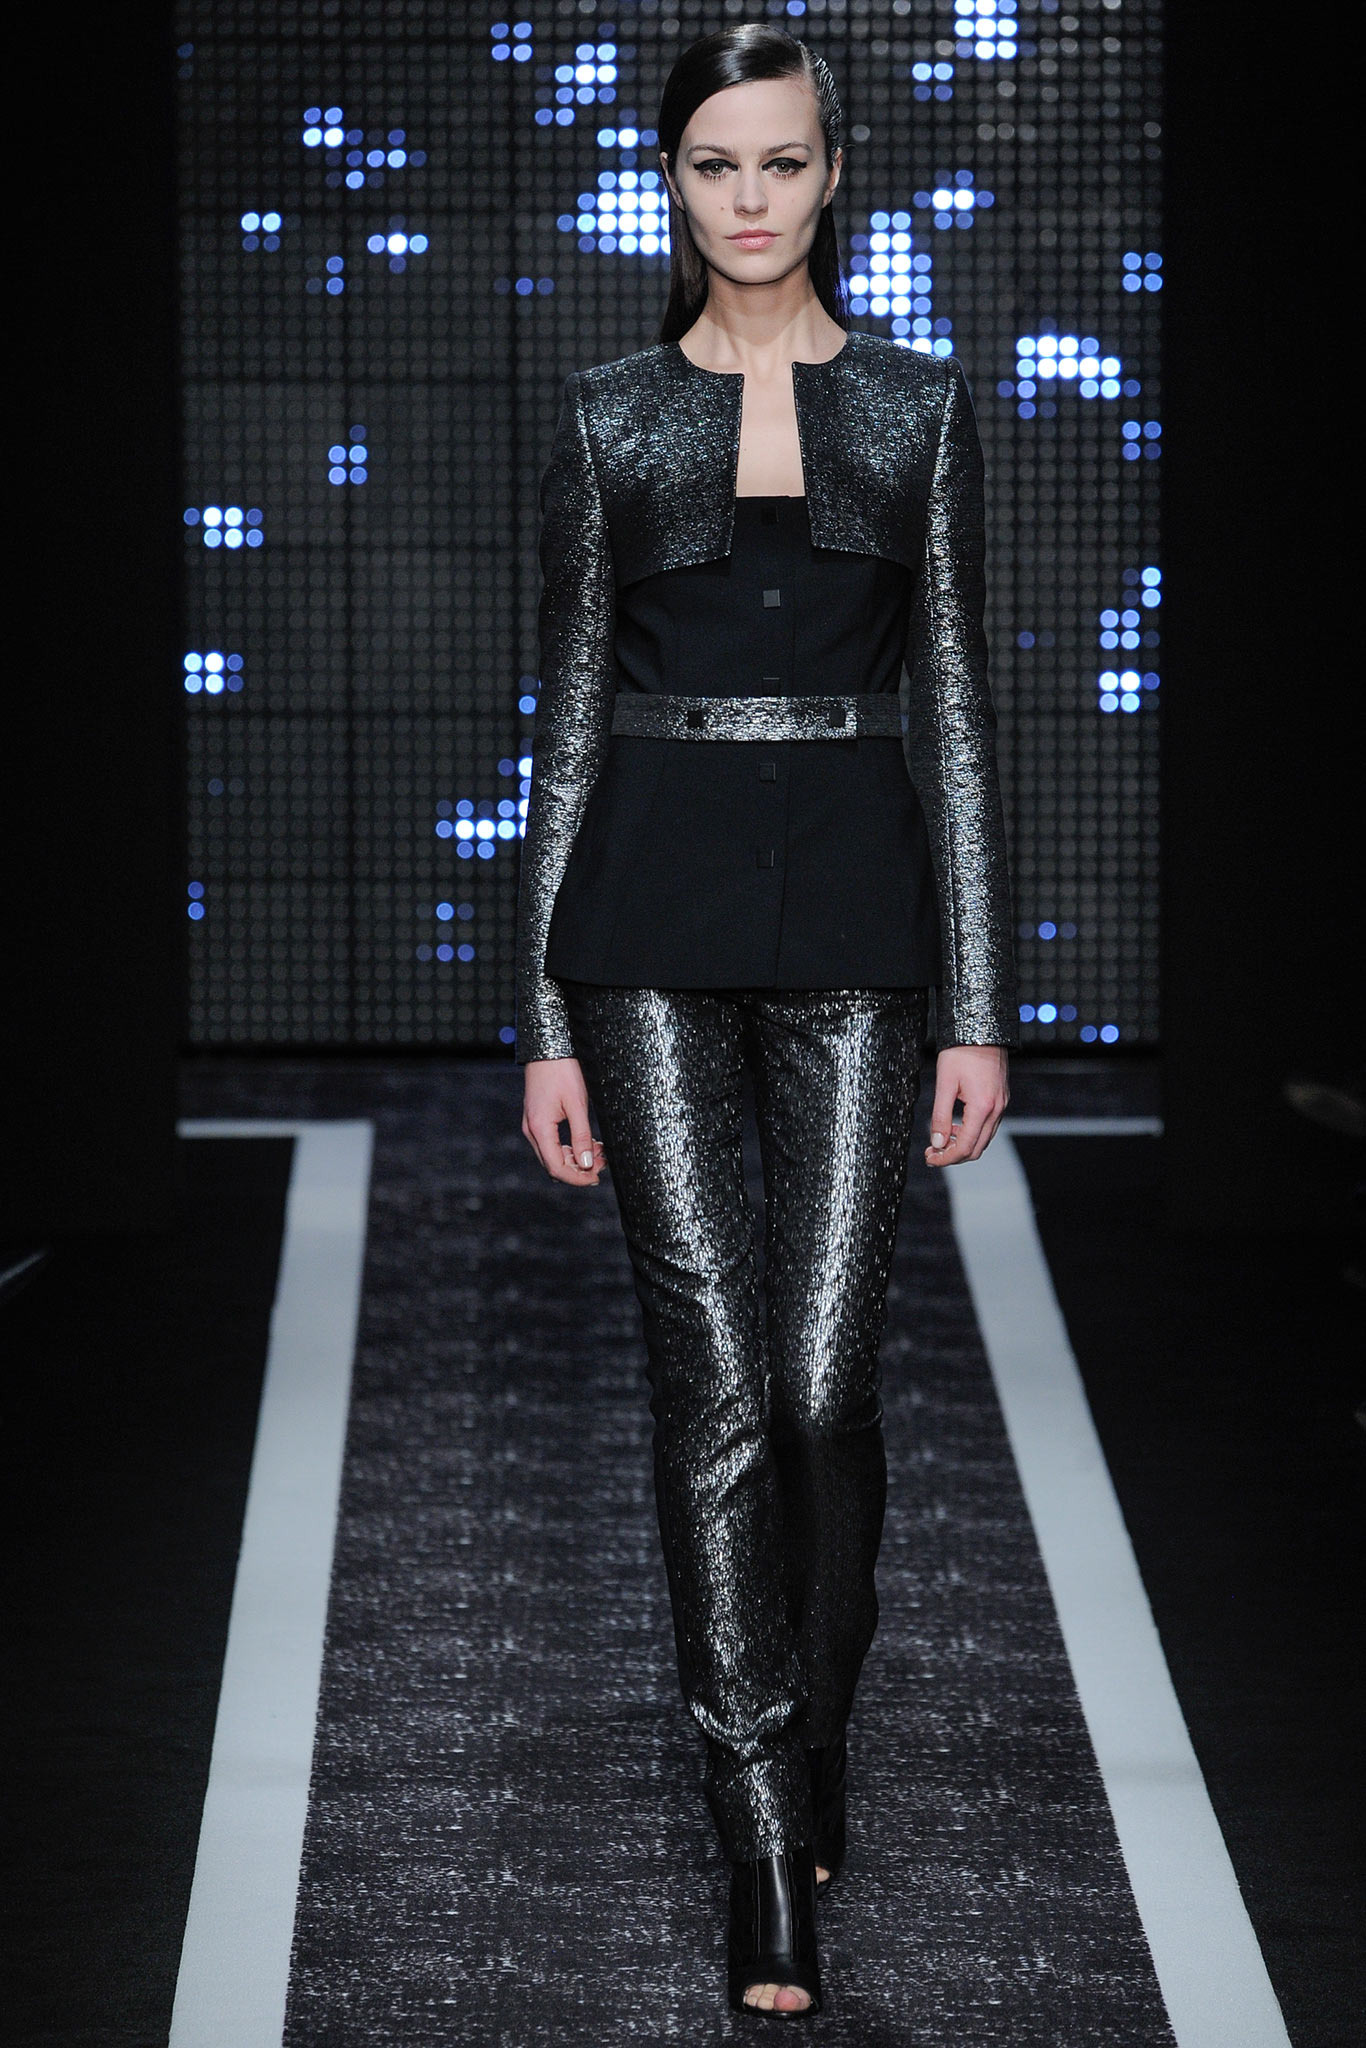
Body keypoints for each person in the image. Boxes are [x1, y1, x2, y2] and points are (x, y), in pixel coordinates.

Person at [515, 23, 1016, 2021]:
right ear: (670, 181)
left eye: (780, 162)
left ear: (830, 172)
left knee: (818, 1385)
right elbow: (565, 716)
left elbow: (955, 711)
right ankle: (757, 1834)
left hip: (862, 930)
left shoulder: (915, 404)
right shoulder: (608, 414)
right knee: (714, 1387)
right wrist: (541, 1019)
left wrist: (979, 1003)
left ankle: (817, 1731)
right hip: (642, 924)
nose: (748, 197)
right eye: (713, 163)